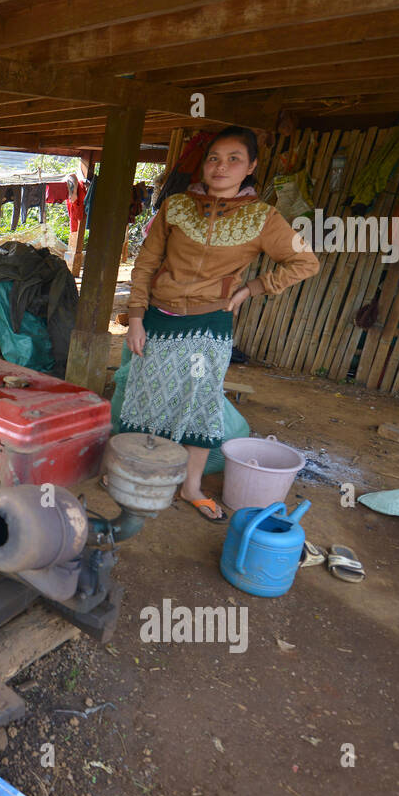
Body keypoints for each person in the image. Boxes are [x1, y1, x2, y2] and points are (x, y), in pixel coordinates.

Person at [121, 126, 319, 522]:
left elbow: (305, 262)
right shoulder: (176, 207)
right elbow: (145, 263)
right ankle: (142, 473)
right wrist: (136, 317)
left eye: (234, 160)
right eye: (214, 158)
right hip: (159, 319)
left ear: (251, 167)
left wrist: (255, 287)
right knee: (147, 399)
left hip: (209, 326)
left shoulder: (263, 218)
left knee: (199, 403)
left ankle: (190, 487)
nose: (221, 167)